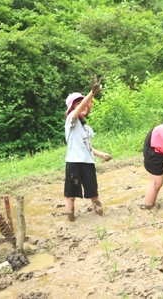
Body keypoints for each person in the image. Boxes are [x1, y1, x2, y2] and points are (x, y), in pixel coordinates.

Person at [64, 76, 111, 222]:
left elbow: (88, 147)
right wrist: (92, 93)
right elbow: (77, 110)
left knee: (94, 194)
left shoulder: (86, 128)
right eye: (78, 104)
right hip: (73, 162)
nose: (83, 107)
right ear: (72, 108)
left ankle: (101, 218)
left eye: (85, 105)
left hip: (88, 163)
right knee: (71, 195)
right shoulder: (71, 120)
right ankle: (70, 221)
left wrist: (101, 154)